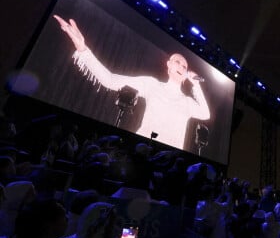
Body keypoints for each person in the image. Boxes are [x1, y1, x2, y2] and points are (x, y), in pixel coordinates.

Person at [53, 15, 211, 150]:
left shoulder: (188, 102)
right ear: (168, 65)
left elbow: (205, 114)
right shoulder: (152, 84)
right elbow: (110, 79)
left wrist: (196, 84)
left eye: (184, 66)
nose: (181, 67)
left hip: (169, 156)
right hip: (144, 149)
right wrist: (83, 49)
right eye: (177, 62)